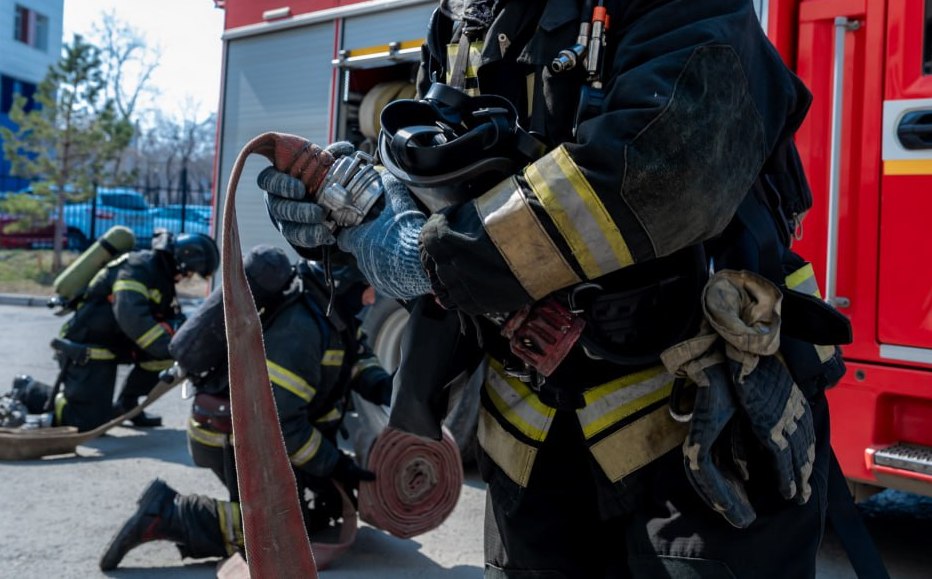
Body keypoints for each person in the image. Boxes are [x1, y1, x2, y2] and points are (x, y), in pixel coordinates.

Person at [257, 1, 856, 577]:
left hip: (703, 446)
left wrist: (433, 254)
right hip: (534, 459)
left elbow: (661, 172)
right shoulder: (467, 15)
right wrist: (355, 213)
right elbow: (441, 175)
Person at [99, 245, 393, 570]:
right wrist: (334, 464)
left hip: (261, 435)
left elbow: (356, 352)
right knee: (284, 529)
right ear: (342, 284)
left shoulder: (330, 313)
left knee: (320, 507)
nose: (372, 300)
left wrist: (381, 384)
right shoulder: (303, 329)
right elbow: (282, 424)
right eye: (367, 290)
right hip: (235, 438)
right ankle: (168, 514)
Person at [53, 231, 219, 431]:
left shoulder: (161, 277)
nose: (186, 277)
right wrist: (174, 349)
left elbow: (165, 321)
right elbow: (132, 317)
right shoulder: (137, 267)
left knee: (164, 358)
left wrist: (188, 342)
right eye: (189, 273)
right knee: (85, 423)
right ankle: (32, 394)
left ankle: (127, 404)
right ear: (182, 260)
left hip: (114, 343)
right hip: (87, 346)